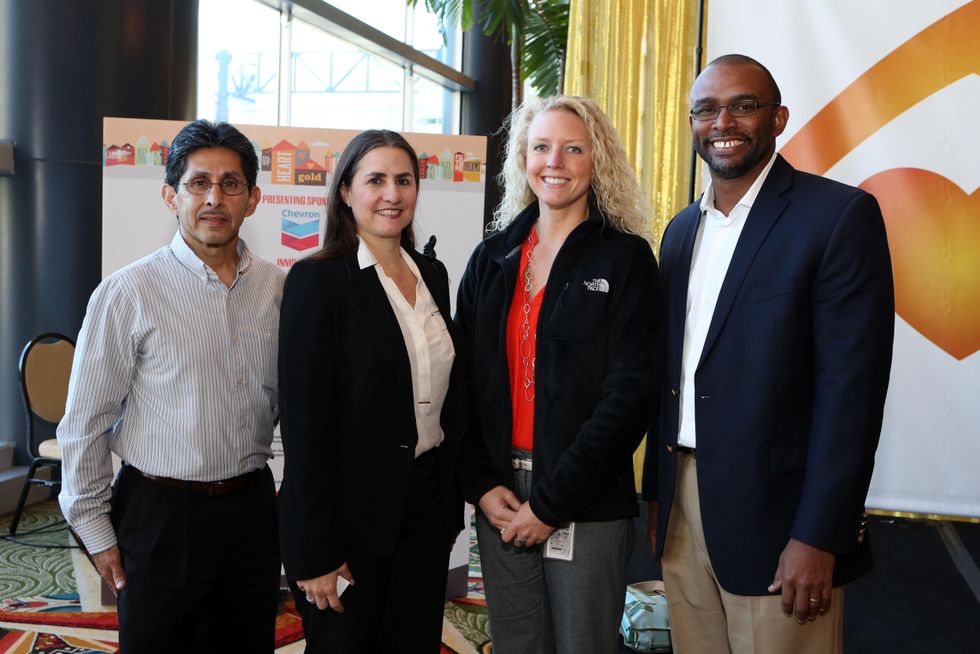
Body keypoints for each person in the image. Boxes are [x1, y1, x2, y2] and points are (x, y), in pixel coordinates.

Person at [641, 54, 894, 653]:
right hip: (682, 503)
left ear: (777, 118)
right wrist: (659, 492)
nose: (722, 121)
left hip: (780, 520)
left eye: (743, 105)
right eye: (706, 109)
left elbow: (851, 392)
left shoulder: (836, 217)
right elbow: (671, 372)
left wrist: (820, 534)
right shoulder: (679, 232)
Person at [58, 119, 284, 652]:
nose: (213, 198)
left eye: (230, 184)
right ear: (170, 195)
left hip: (250, 511)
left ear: (252, 199)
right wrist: (95, 529)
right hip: (157, 517)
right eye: (197, 183)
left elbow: (294, 406)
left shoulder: (280, 290)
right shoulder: (127, 292)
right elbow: (85, 421)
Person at [455, 95, 665, 654]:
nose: (556, 162)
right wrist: (479, 483)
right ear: (523, 158)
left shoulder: (626, 260)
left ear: (598, 160)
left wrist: (552, 504)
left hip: (585, 498)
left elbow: (631, 397)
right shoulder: (491, 259)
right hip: (500, 494)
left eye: (574, 148)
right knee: (517, 644)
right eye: (542, 147)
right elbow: (464, 386)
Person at [277, 129, 466, 653]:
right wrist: (313, 551)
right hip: (348, 524)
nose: (392, 194)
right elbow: (304, 425)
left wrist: (449, 503)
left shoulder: (432, 274)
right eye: (375, 179)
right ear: (345, 191)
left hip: (425, 510)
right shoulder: (318, 283)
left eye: (403, 180)